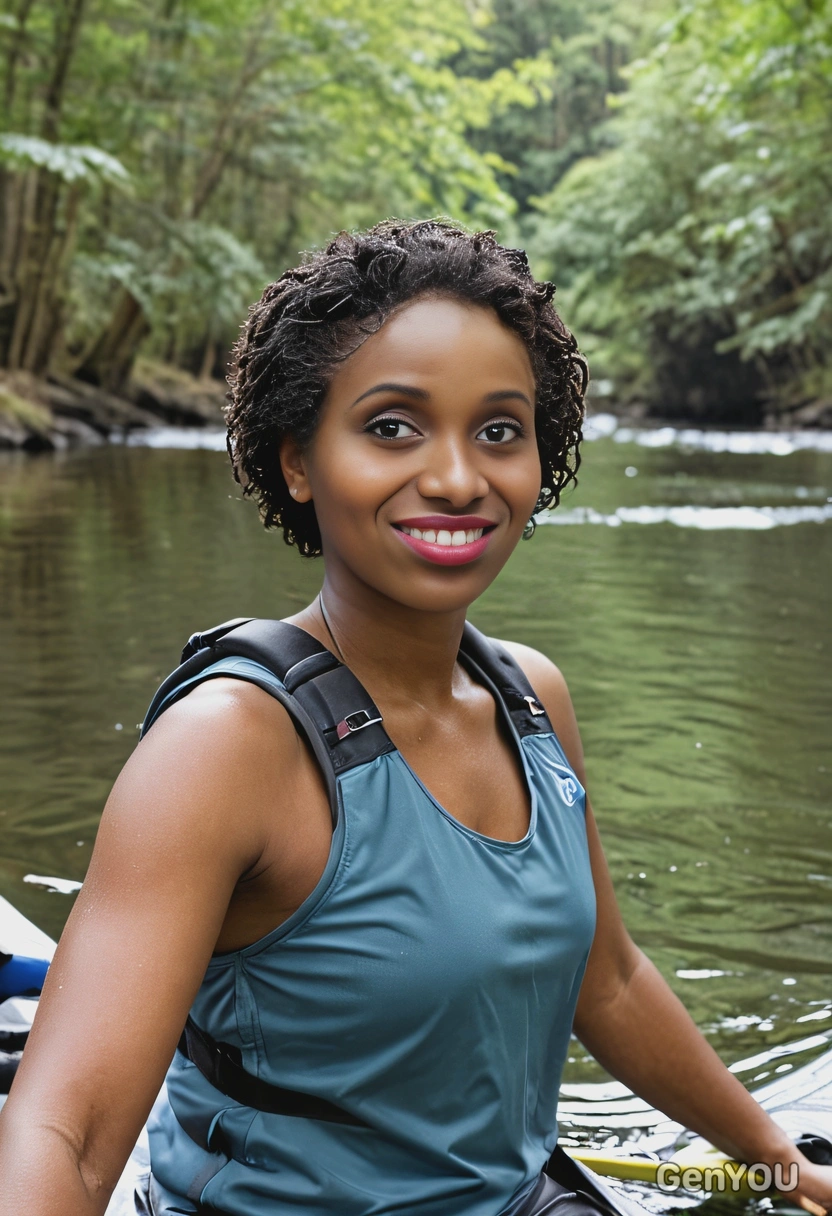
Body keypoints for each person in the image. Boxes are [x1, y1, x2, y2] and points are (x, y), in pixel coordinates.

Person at [0, 219, 829, 1216]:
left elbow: (605, 981)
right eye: (392, 426)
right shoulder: (225, 746)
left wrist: (781, 1159)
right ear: (297, 461)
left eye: (498, 430)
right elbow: (70, 1135)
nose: (456, 477)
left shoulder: (532, 697)